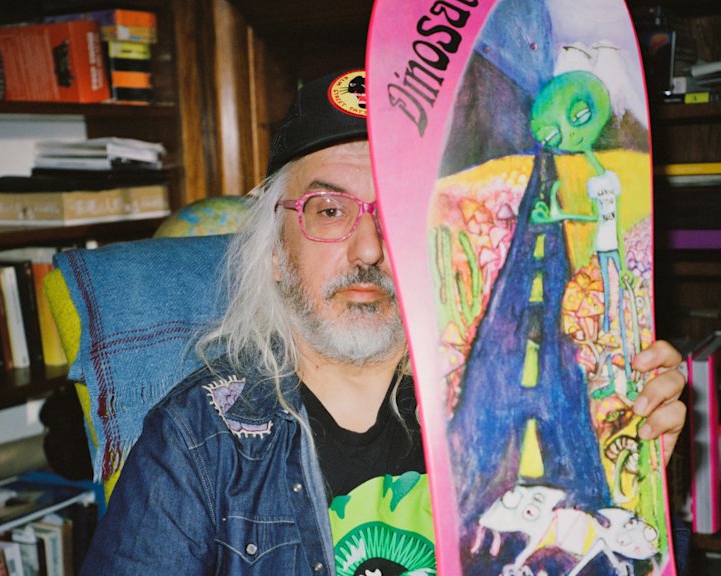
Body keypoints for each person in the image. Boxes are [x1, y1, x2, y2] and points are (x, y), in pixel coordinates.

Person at [80, 70, 688, 575]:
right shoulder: (197, 441)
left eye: (392, 210)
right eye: (328, 210)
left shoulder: (498, 407)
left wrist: (635, 487)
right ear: (273, 251)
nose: (369, 248)